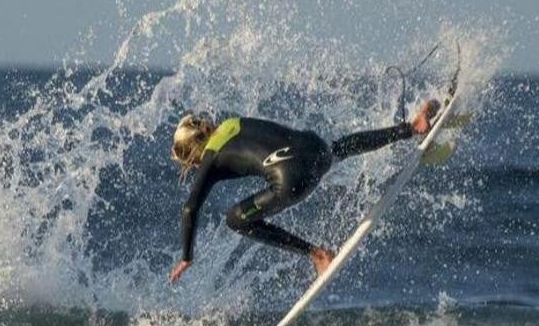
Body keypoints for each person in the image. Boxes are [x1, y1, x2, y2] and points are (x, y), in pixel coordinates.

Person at [169, 98, 443, 283]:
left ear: (191, 152)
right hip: (316, 148)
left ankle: (317, 254)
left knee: (235, 218)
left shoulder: (210, 155)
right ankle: (412, 127)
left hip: (291, 180)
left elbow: (190, 208)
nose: (192, 166)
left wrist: (186, 257)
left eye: (188, 161)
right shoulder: (231, 124)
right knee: (339, 149)